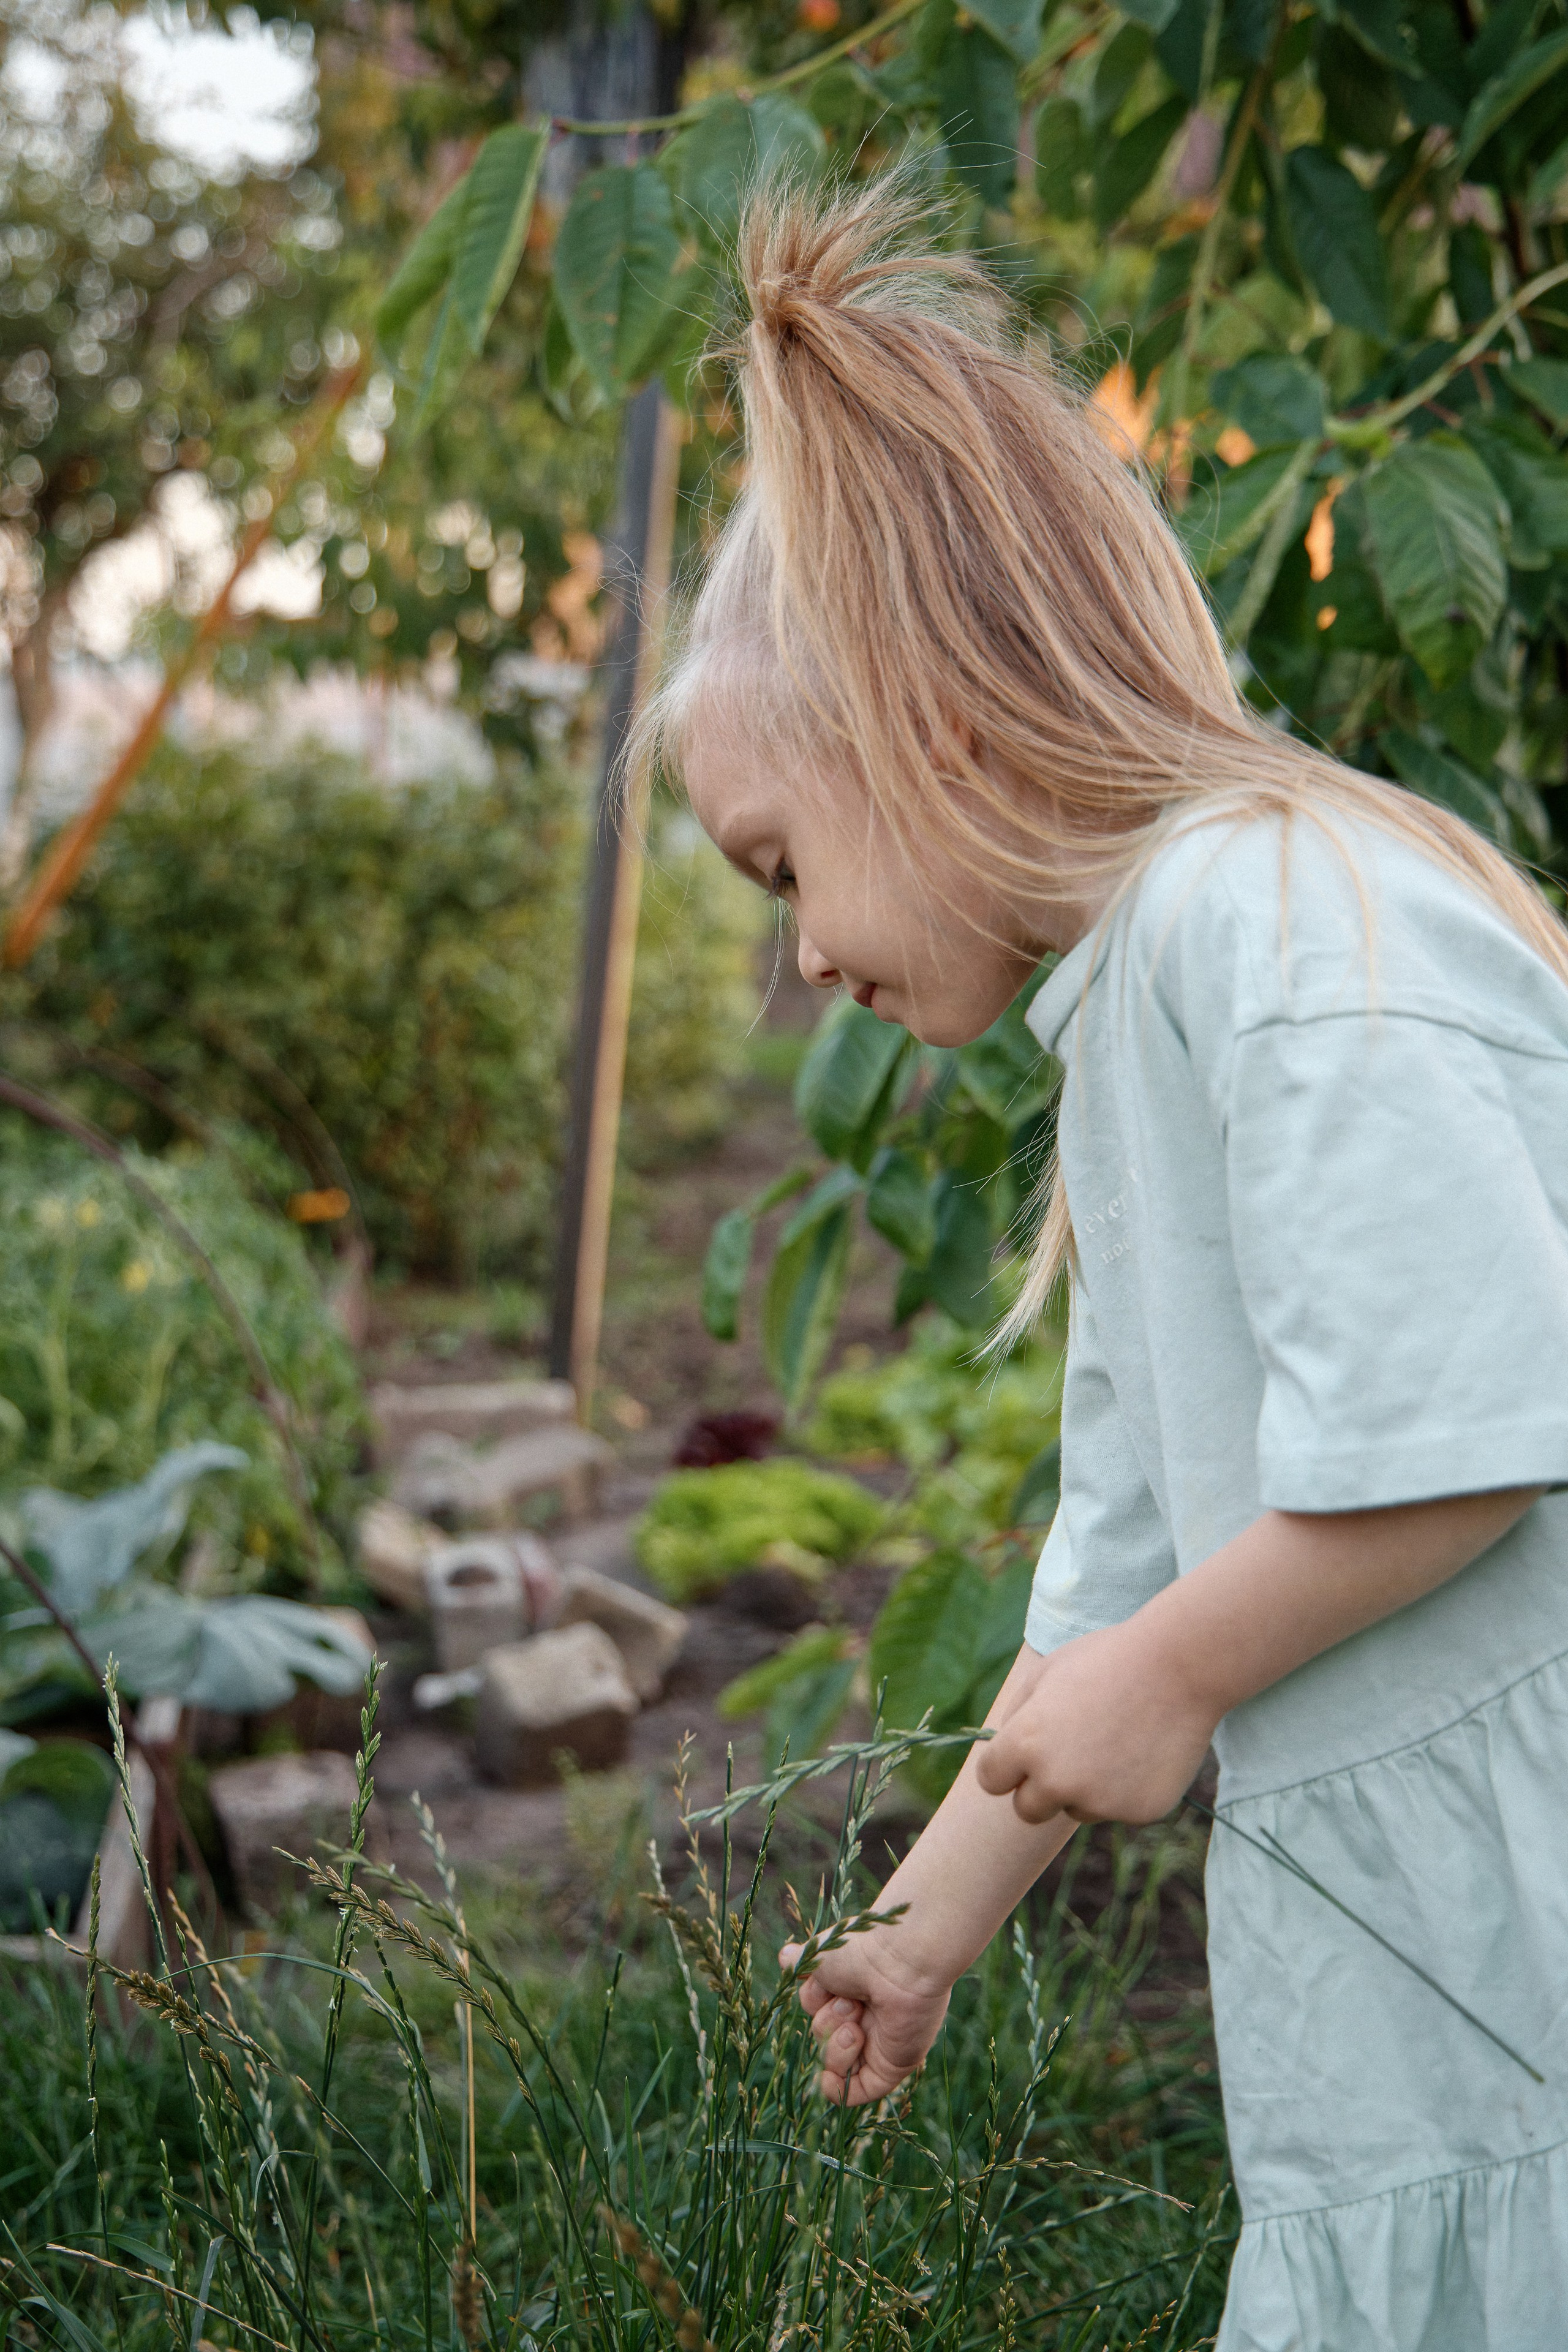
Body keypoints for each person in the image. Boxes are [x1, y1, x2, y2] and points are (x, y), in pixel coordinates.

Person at [637, 172, 1568, 2349]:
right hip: (1421, 1926)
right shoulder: (1151, 988)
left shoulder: (1283, 926)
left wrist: (1173, 1687)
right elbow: (1122, 1575)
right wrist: (930, 1919)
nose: (802, 955)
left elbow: (1476, 1435)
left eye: (784, 865)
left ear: (929, 726)